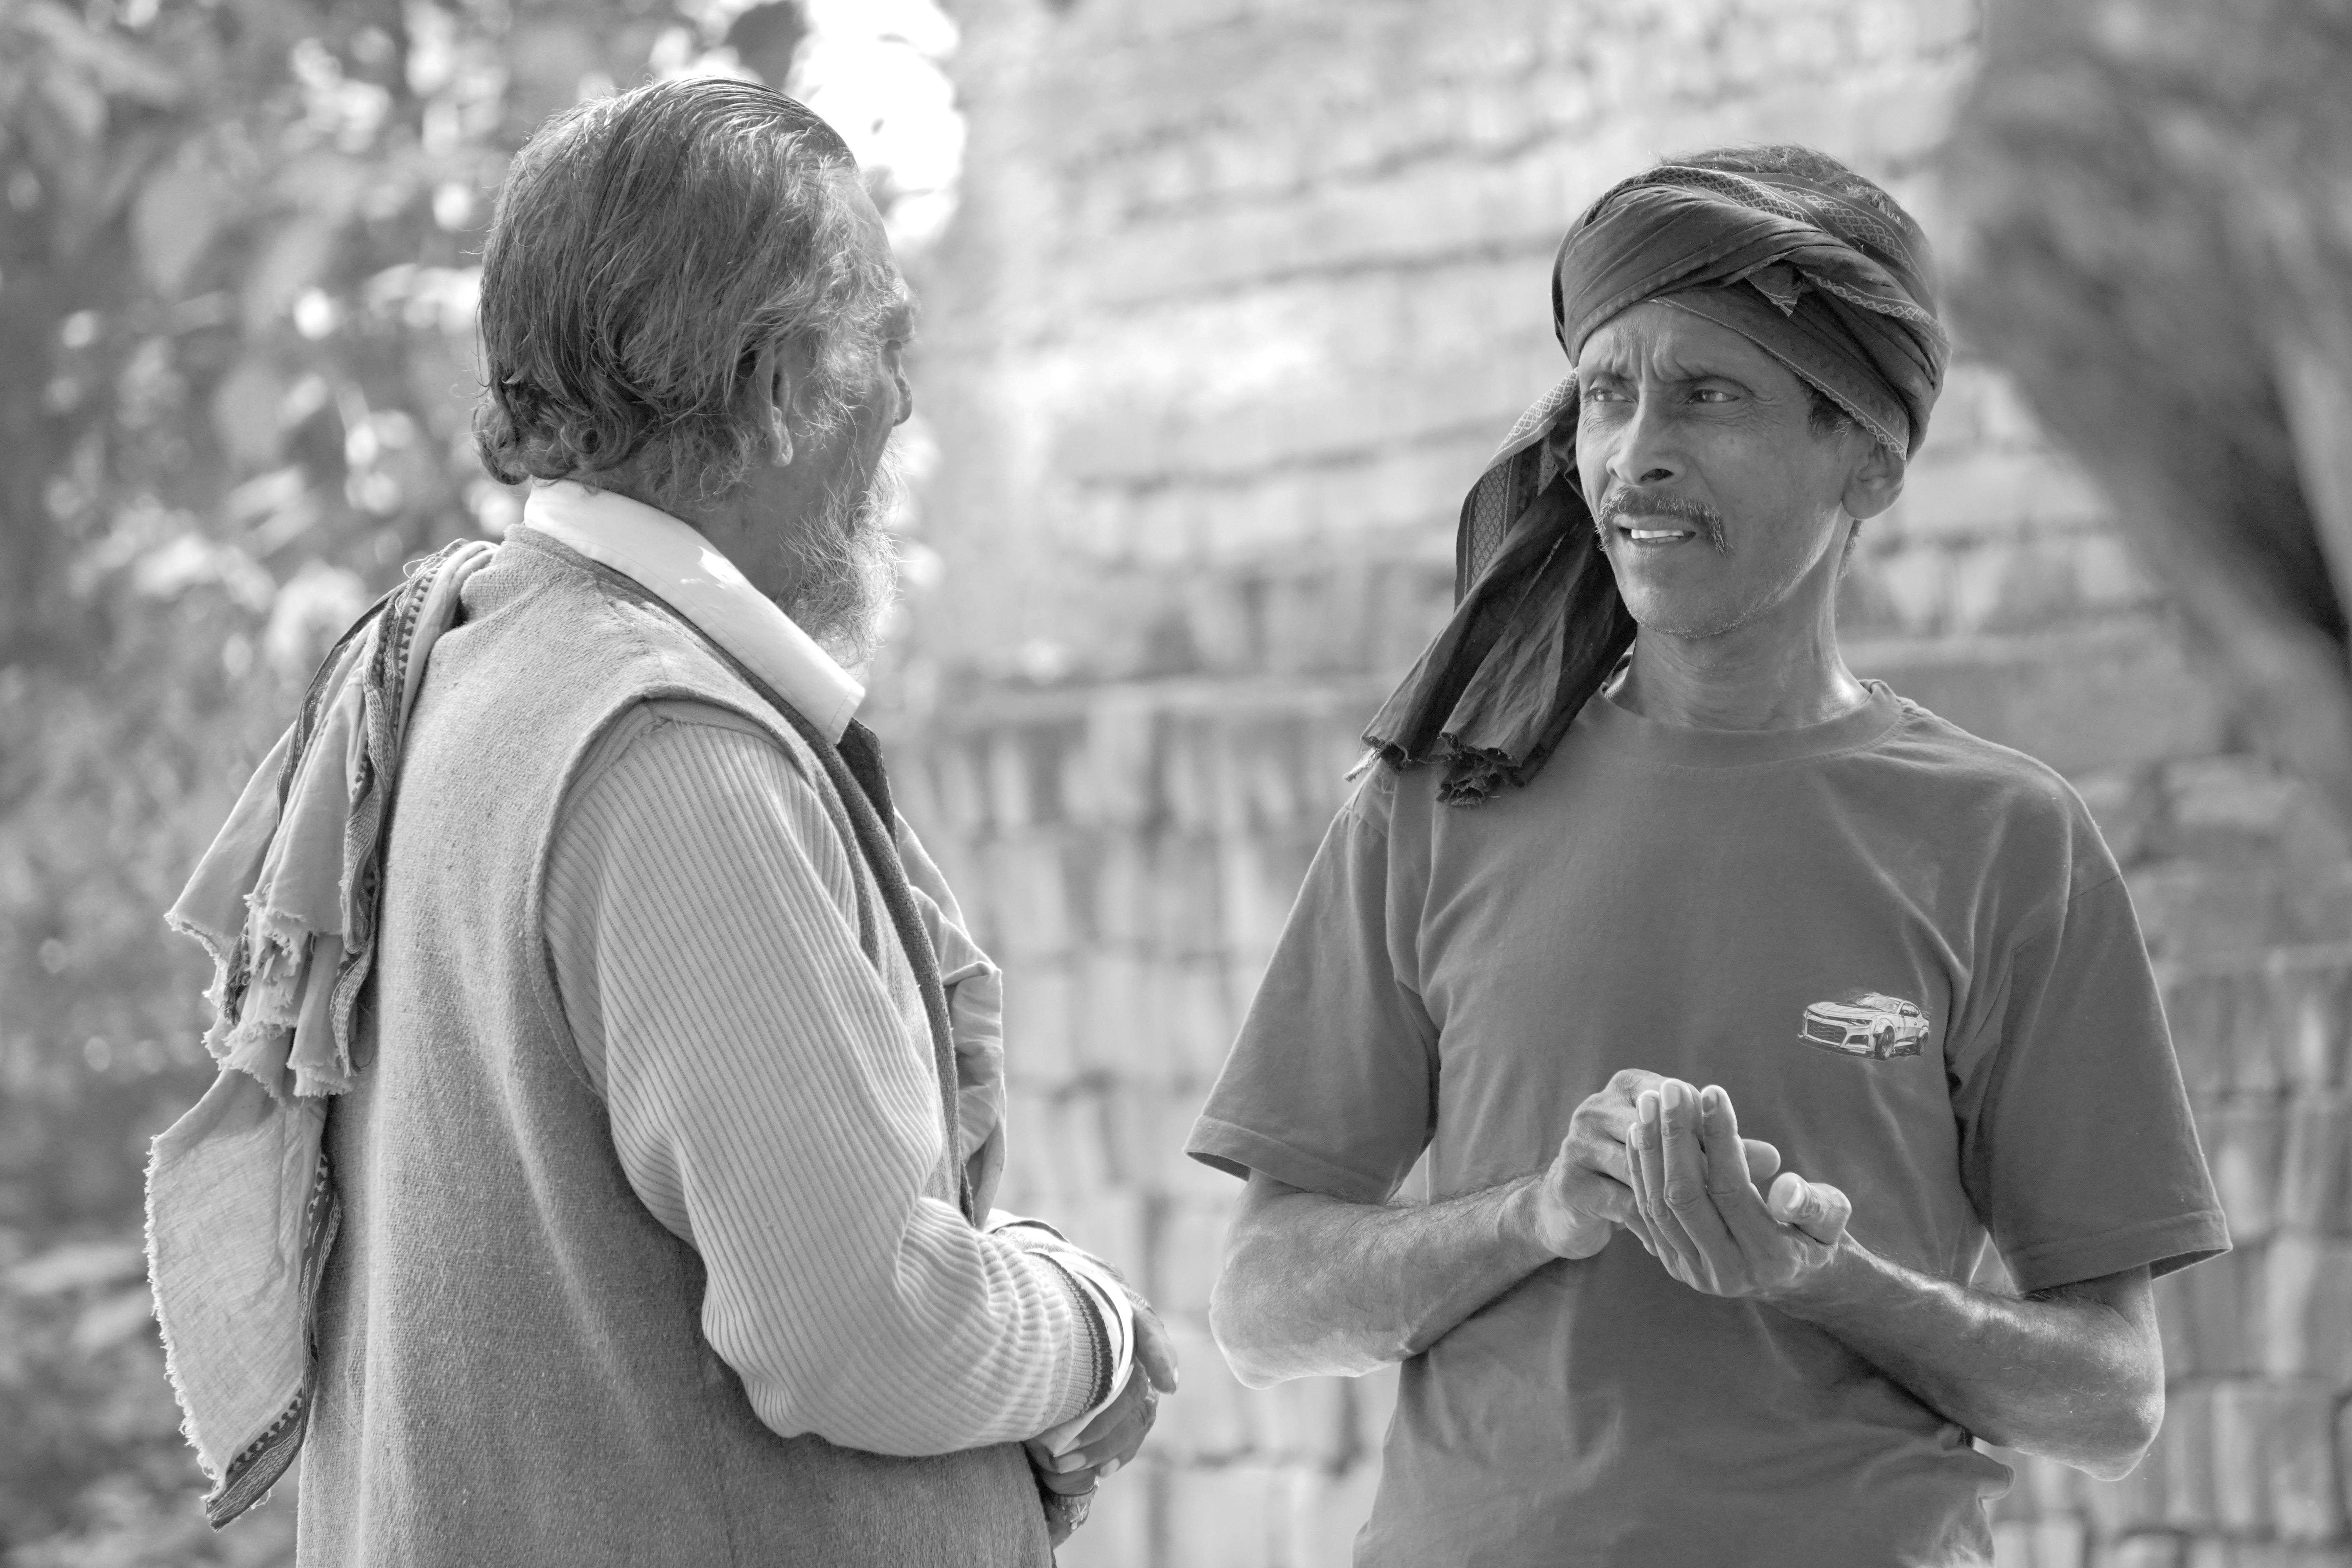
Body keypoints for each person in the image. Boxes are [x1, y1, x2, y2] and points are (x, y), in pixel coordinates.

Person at [145, 80, 1173, 1568]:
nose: (902, 402)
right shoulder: (666, 752)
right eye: (883, 342)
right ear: (779, 385)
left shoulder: (479, 662)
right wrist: (1090, 1329)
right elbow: (853, 1330)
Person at [1186, 146, 2227, 1566]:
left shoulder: (2008, 841)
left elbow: (2111, 1399)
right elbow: (1260, 1307)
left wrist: (1831, 1281)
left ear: (1869, 457)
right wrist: (1537, 1215)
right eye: (1607, 395)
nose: (1637, 453)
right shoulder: (1437, 803)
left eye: (1710, 395)